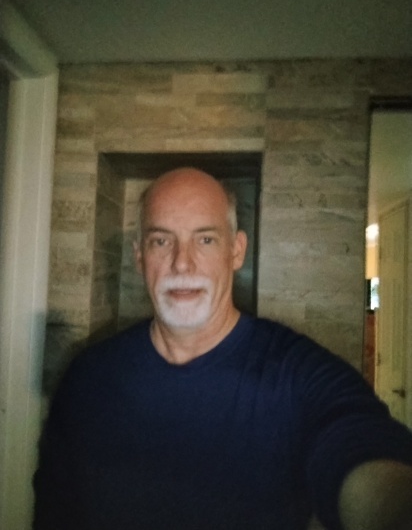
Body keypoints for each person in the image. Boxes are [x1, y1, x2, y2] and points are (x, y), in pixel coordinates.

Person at [33, 167, 412, 530]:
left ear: (236, 251)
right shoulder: (87, 379)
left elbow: (363, 453)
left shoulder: (299, 375)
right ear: (139, 256)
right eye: (161, 241)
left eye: (206, 240)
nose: (182, 263)